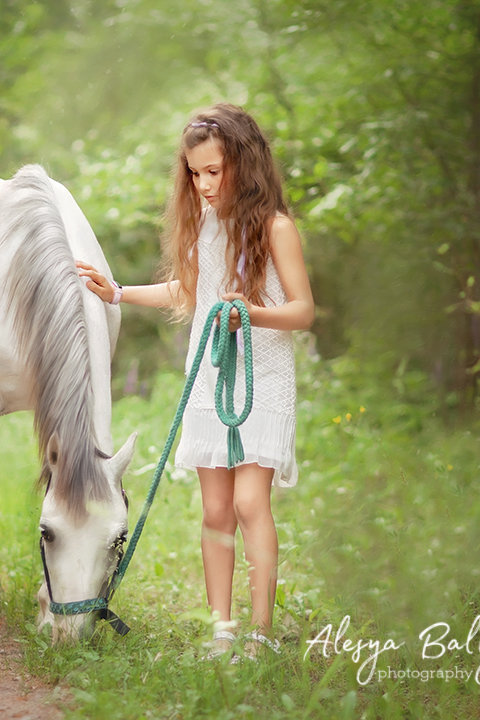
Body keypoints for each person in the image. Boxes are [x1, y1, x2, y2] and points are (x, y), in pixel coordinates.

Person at [77, 103, 314, 659]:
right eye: (194, 172)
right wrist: (117, 292)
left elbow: (302, 311)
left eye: (214, 171)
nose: (204, 184)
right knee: (214, 510)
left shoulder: (277, 228)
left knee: (252, 502)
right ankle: (221, 632)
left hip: (264, 376)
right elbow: (189, 293)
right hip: (209, 375)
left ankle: (258, 634)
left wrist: (251, 313)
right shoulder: (204, 228)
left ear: (244, 164)